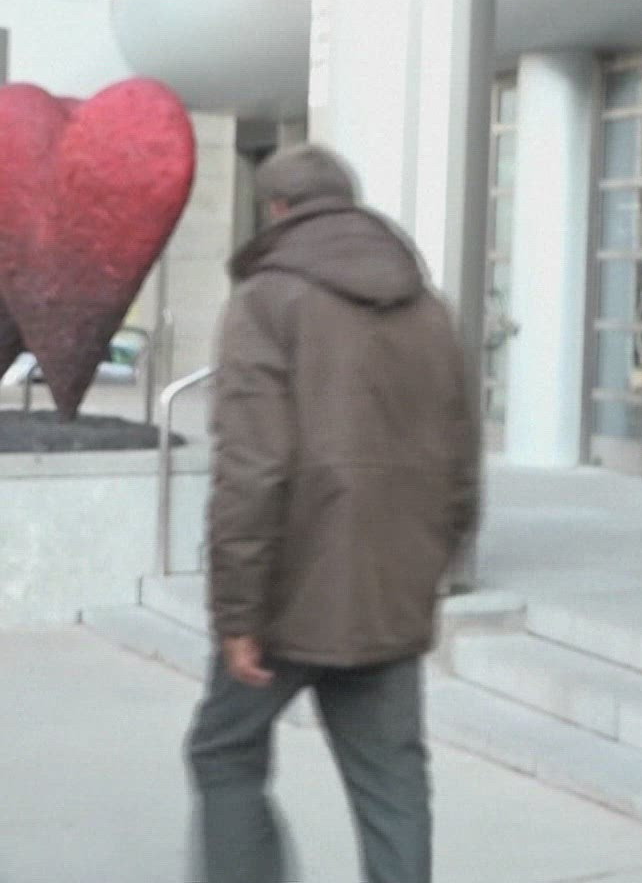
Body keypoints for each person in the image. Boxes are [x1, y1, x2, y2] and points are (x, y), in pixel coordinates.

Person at [186, 144, 480, 883]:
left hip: (288, 597)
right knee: (392, 785)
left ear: (277, 210)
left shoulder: (266, 299)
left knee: (223, 751)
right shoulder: (429, 310)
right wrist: (427, 572)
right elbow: (462, 464)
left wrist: (237, 613)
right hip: (387, 594)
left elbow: (252, 469)